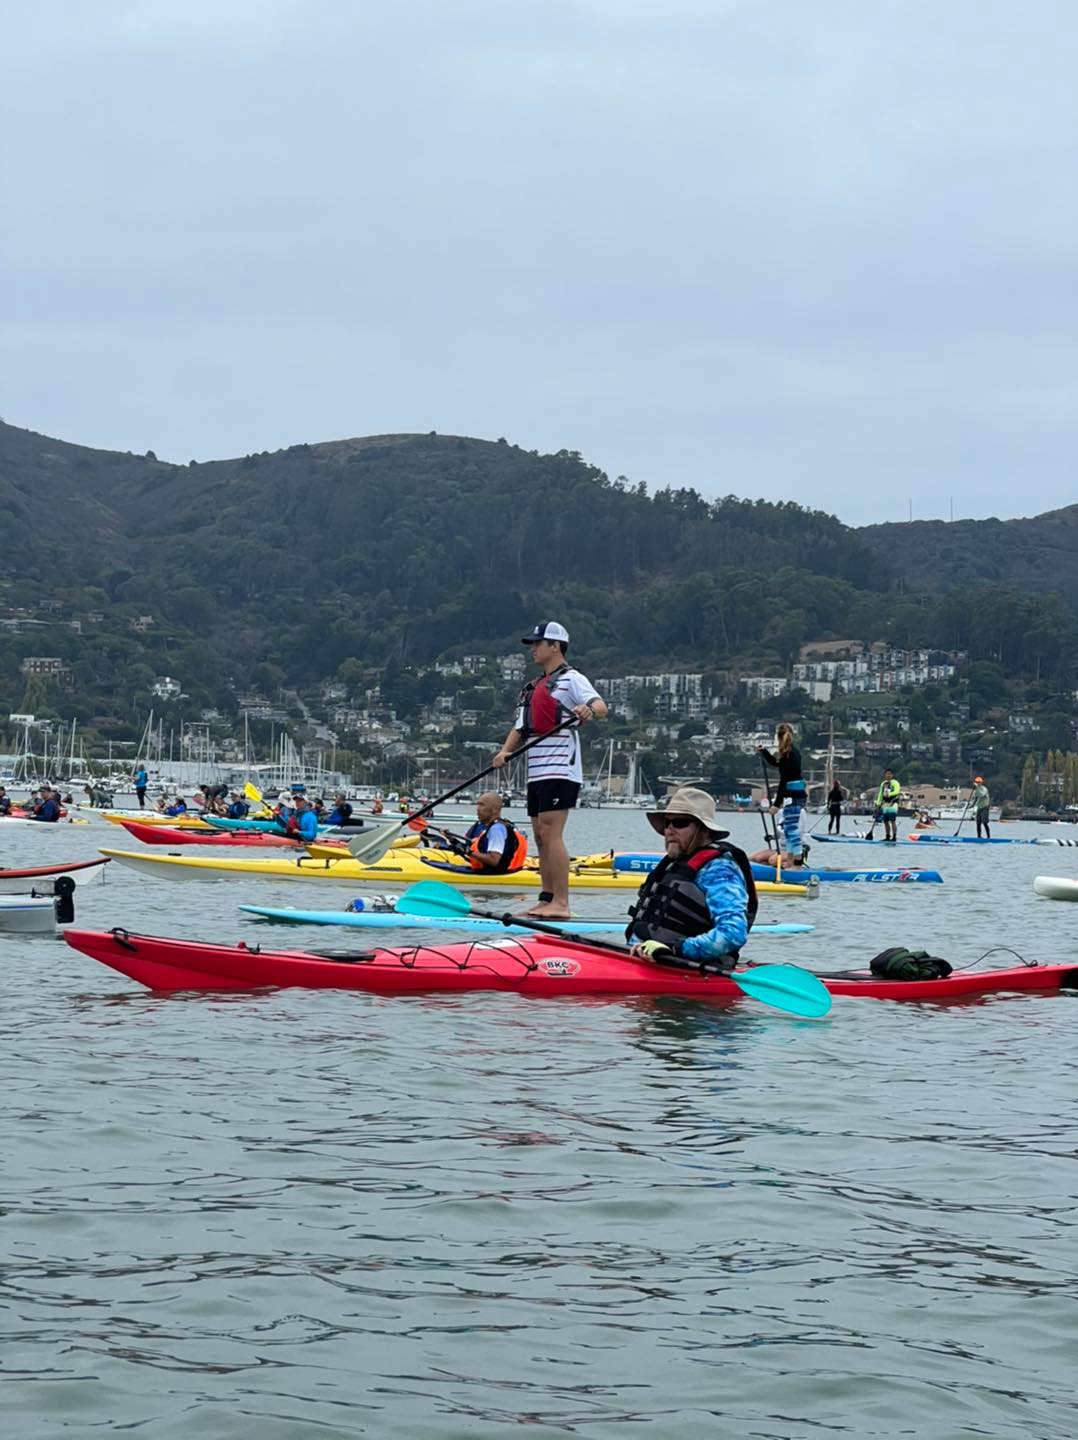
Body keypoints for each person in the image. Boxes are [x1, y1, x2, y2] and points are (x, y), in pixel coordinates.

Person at [492, 621, 607, 919]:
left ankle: (562, 903)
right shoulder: (531, 687)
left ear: (555, 646)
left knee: (552, 833)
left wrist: (588, 711)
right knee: (540, 835)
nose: (533, 649)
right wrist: (505, 751)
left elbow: (600, 706)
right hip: (537, 771)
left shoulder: (572, 679)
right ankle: (546, 898)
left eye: (537, 643)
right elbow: (520, 726)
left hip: (561, 768)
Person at [626, 787, 757, 972]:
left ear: (703, 829)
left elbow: (733, 932)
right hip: (640, 960)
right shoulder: (674, 863)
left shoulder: (719, 869)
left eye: (679, 823)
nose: (670, 830)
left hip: (688, 968)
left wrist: (674, 950)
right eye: (667, 823)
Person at [757, 724, 807, 862]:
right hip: (795, 795)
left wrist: (776, 804)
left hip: (793, 795)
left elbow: (784, 781)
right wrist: (764, 752)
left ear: (779, 738)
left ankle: (797, 864)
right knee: (789, 831)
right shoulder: (792, 752)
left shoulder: (788, 755)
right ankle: (790, 862)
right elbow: (776, 763)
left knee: (792, 831)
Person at [452, 792, 528, 873]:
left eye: (482, 805)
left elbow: (494, 860)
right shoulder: (495, 826)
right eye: (478, 805)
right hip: (501, 871)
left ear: (494, 809)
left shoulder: (496, 829)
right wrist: (453, 841)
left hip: (496, 874)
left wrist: (468, 851)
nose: (478, 808)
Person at [873, 767, 902, 842]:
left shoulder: (895, 783)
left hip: (893, 804)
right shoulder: (883, 784)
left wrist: (889, 793)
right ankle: (887, 836)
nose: (888, 775)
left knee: (892, 821)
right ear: (884, 775)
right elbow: (880, 794)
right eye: (886, 774)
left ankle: (894, 837)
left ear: (892, 775)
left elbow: (896, 791)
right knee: (885, 821)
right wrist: (878, 804)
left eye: (889, 774)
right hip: (885, 805)